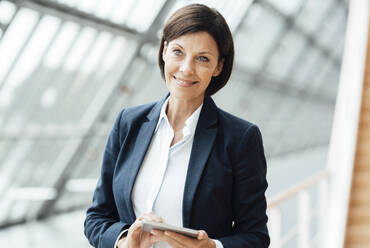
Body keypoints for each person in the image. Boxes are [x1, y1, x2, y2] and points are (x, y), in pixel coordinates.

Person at [84, 3, 270, 248]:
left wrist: (213, 247)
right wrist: (124, 241)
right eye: (178, 52)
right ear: (163, 51)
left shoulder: (241, 139)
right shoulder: (128, 123)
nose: (186, 69)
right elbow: (97, 217)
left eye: (202, 58)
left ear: (219, 66)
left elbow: (256, 236)